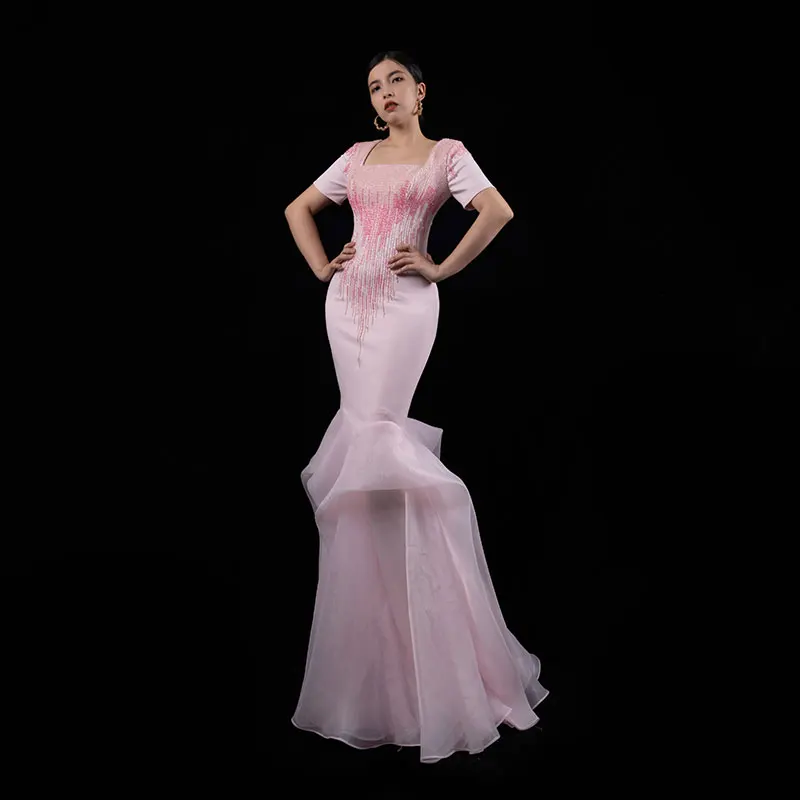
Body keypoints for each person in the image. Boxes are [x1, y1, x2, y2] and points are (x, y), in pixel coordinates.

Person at [283, 50, 548, 764]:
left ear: (420, 91)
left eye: (396, 80)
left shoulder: (447, 154)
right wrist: (322, 267)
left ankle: (445, 661)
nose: (385, 92)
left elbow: (496, 210)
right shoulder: (355, 156)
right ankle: (383, 666)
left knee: (380, 442)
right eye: (375, 86)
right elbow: (297, 209)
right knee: (363, 461)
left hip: (406, 305)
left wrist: (439, 267)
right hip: (346, 305)